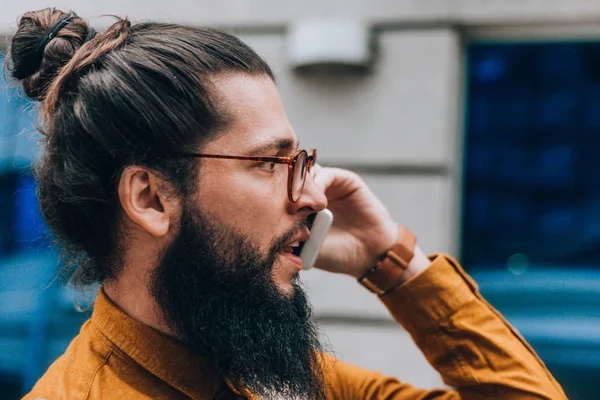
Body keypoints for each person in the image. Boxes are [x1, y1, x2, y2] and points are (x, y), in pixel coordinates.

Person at [8, 8, 566, 400]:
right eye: (270, 163)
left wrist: (392, 262)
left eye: (301, 161)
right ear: (152, 198)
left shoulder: (277, 377)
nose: (314, 195)